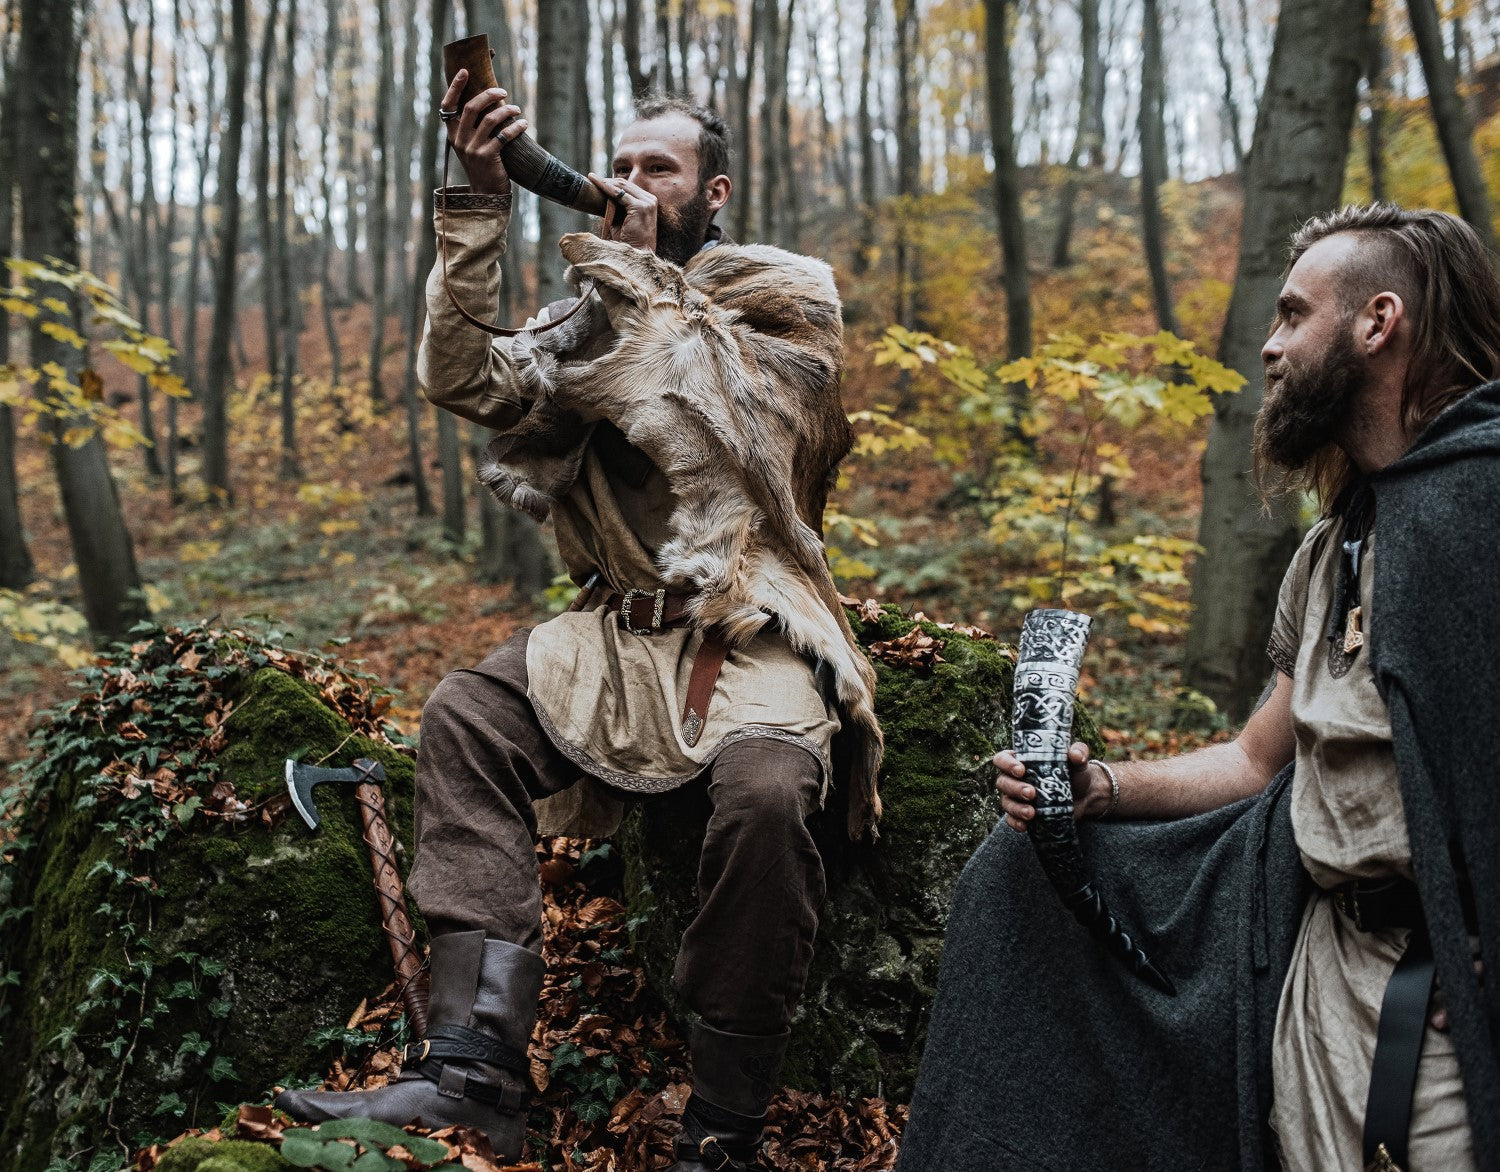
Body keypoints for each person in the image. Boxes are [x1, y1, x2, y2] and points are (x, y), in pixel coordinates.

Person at [276, 77, 883, 1171]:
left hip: (747, 627)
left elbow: (721, 423)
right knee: (466, 714)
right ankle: (473, 1068)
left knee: (765, 793)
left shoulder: (787, 300)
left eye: (662, 168)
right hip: (614, 634)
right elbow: (460, 375)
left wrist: (640, 277)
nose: (630, 182)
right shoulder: (593, 308)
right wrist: (476, 209)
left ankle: (725, 1121)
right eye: (623, 162)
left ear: (716, 191)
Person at [899, 205, 1500, 1172]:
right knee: (1016, 890)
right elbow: (1261, 759)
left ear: (1377, 323)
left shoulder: (1484, 512)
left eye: (1294, 314)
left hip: (1448, 1017)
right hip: (1319, 982)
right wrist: (1103, 790)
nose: (1268, 345)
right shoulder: (1335, 546)